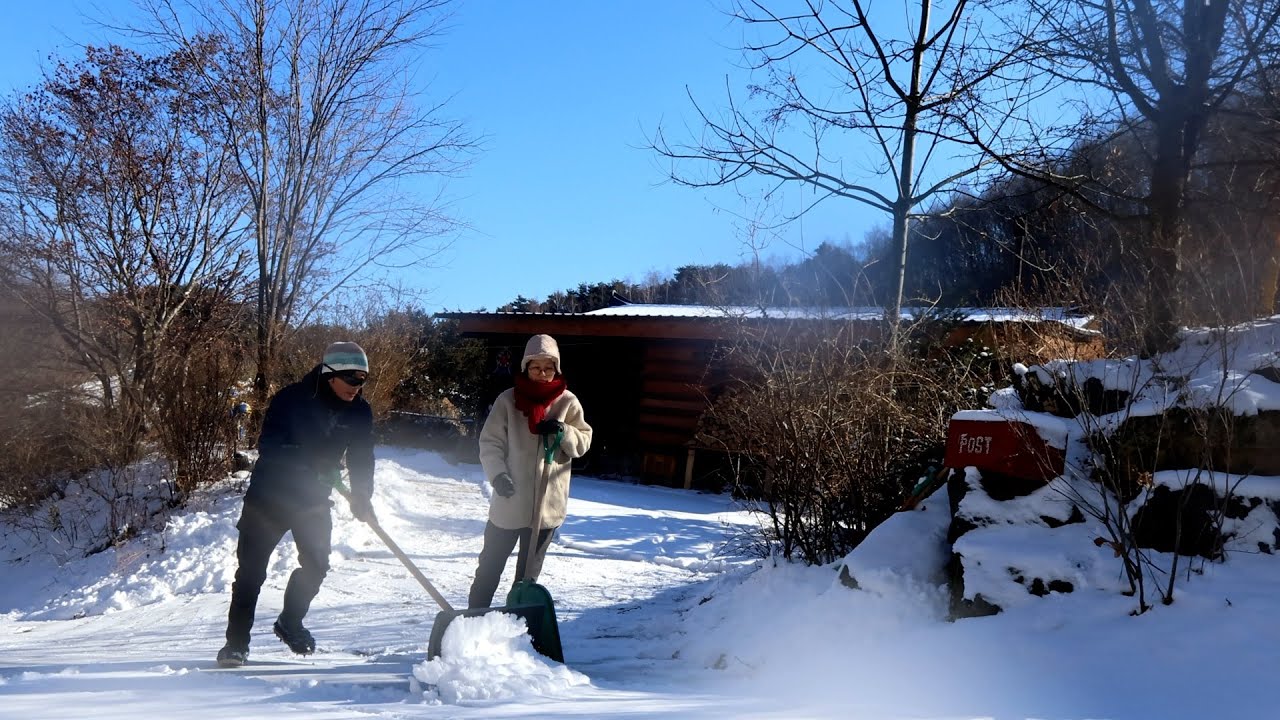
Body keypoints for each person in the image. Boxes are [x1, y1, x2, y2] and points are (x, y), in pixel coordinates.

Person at [216, 341, 377, 668]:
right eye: (352, 379)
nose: (357, 388)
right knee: (251, 573)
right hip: (269, 498)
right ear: (330, 374)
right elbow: (270, 446)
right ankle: (235, 646)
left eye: (363, 380)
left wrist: (362, 496)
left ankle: (290, 621)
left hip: (313, 500)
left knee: (317, 565)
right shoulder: (291, 399)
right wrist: (310, 462)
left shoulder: (360, 411)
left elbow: (362, 458)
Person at [468, 334, 592, 609]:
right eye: (536, 367)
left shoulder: (567, 402)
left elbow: (584, 441)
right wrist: (498, 475)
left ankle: (514, 626)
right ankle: (473, 620)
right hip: (510, 501)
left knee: (527, 579)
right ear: (525, 368)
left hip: (547, 506)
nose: (542, 374)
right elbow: (490, 443)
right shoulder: (507, 401)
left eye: (548, 368)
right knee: (489, 568)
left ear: (556, 368)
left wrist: (563, 432)